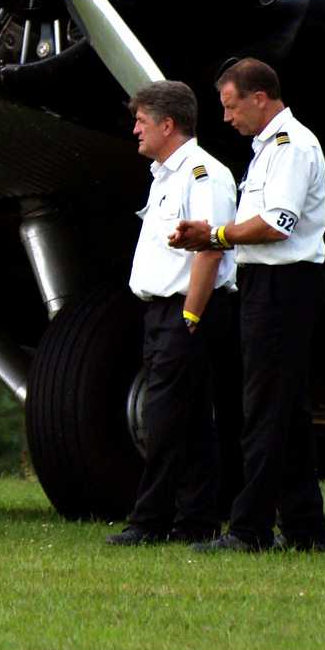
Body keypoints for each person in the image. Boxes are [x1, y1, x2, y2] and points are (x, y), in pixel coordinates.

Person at [169, 58, 325, 553]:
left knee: (261, 409)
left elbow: (277, 222)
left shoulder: (291, 147)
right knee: (286, 410)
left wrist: (214, 235)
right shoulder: (267, 150)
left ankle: (249, 529)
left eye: (231, 105)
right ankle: (305, 529)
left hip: (284, 286)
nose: (226, 117)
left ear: (260, 97)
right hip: (266, 283)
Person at [106, 80, 237, 546]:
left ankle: (149, 521)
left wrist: (190, 319)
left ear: (168, 124)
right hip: (162, 311)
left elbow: (209, 251)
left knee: (161, 418)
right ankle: (196, 520)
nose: (135, 130)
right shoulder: (166, 175)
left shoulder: (203, 174)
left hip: (186, 310)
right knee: (192, 420)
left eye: (142, 121)